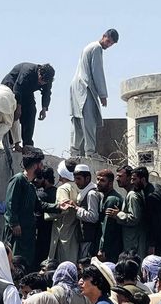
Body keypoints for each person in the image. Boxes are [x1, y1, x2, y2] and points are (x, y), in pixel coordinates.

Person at [3, 147, 68, 271]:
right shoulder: (18, 180)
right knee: (15, 263)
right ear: (35, 166)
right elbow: (11, 203)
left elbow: (39, 205)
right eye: (41, 164)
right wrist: (14, 223)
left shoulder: (31, 186)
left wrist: (59, 207)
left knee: (26, 264)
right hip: (17, 234)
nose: (42, 167)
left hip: (28, 234)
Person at [70, 29, 118, 158]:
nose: (108, 45)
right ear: (103, 36)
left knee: (78, 122)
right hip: (85, 87)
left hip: (77, 86)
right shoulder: (96, 48)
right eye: (108, 41)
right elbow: (97, 72)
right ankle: (90, 152)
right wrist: (103, 94)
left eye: (111, 44)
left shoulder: (89, 46)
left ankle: (74, 151)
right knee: (89, 121)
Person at [1, 62, 55, 148]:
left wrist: (44, 109)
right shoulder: (28, 71)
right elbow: (18, 88)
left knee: (31, 111)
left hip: (27, 92)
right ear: (39, 72)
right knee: (13, 112)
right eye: (41, 79)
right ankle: (10, 142)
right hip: (11, 87)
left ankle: (28, 144)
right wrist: (18, 106)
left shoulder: (47, 80)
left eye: (44, 82)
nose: (41, 83)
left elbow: (47, 93)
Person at [132, 167, 161, 256]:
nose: (132, 182)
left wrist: (152, 245)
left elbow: (155, 223)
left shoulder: (151, 197)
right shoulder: (156, 186)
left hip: (159, 242)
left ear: (143, 179)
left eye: (134, 179)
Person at [109, 165, 147, 257]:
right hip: (131, 242)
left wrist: (118, 214)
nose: (117, 179)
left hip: (134, 243)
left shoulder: (132, 195)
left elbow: (134, 218)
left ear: (130, 177)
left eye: (120, 176)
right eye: (117, 176)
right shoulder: (130, 194)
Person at [49, 159, 80, 264]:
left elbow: (62, 209)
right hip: (75, 232)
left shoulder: (63, 189)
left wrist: (46, 213)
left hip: (63, 235)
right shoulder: (78, 186)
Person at [73, 165, 103, 259]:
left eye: (79, 178)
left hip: (89, 238)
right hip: (85, 238)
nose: (76, 182)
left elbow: (93, 217)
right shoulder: (85, 192)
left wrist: (76, 209)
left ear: (87, 178)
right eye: (75, 178)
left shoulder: (91, 194)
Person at [96, 169, 124, 262]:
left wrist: (102, 249)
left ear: (110, 183)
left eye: (102, 180)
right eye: (98, 179)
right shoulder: (106, 197)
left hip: (111, 247)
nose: (98, 183)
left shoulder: (112, 199)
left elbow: (107, 226)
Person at [34, 166, 57, 267]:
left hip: (42, 236)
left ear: (46, 179)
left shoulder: (42, 196)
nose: (36, 180)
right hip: (54, 236)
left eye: (39, 178)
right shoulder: (57, 192)